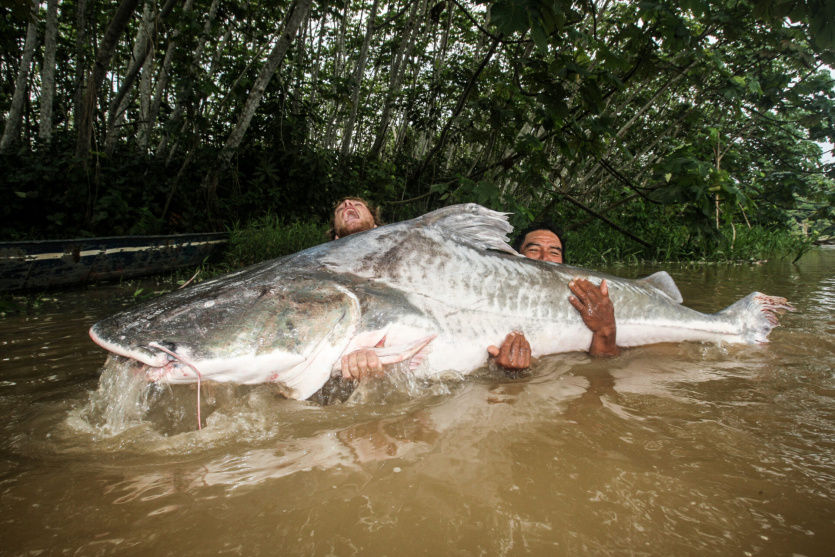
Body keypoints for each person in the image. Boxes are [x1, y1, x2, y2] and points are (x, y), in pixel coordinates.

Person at [487, 222, 619, 371]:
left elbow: (605, 370)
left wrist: (606, 329)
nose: (545, 258)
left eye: (554, 253)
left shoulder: (587, 298)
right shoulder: (494, 293)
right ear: (515, 258)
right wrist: (510, 375)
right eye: (534, 250)